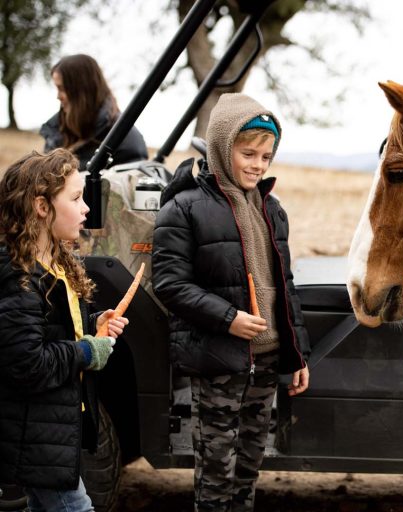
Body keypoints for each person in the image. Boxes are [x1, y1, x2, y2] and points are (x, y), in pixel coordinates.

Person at [151, 93, 311, 512]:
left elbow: (285, 285)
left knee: (249, 469)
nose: (258, 165)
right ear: (223, 148)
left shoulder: (272, 210)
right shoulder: (183, 207)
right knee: (216, 471)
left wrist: (297, 354)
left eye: (266, 157)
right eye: (248, 154)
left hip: (267, 359)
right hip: (219, 360)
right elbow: (169, 284)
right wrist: (228, 319)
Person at [0, 149, 128, 511]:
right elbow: (27, 363)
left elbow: (52, 330)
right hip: (34, 437)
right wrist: (87, 351)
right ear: (42, 207)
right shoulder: (19, 278)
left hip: (48, 434)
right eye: (75, 198)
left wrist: (93, 325)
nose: (86, 208)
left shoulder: (54, 265)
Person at [40, 54, 148, 171]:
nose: (58, 96)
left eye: (62, 89)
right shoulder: (57, 129)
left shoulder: (123, 138)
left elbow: (131, 180)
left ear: (82, 91)